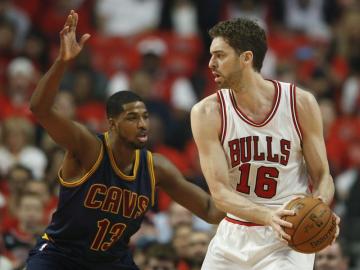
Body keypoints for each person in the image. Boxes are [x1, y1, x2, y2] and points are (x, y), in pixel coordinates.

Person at [25, 10, 224, 270]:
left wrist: (255, 195)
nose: (142, 124)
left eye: (145, 116)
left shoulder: (156, 167)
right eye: (132, 118)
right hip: (60, 256)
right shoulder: (89, 148)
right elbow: (40, 109)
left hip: (112, 261)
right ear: (112, 124)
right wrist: (62, 62)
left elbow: (209, 209)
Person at [190, 17, 340, 270]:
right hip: (234, 235)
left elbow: (323, 175)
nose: (210, 64)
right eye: (211, 55)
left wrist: (319, 208)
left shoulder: (299, 103)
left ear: (246, 58)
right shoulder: (206, 112)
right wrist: (269, 217)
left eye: (219, 55)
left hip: (288, 236)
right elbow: (220, 193)